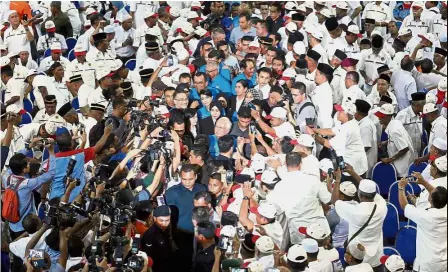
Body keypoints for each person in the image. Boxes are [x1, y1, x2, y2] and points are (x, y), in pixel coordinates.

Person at [332, 174, 387, 271]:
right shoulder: (382, 206)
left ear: (359, 195)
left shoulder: (355, 211)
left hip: (356, 259)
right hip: (376, 258)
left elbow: (335, 200)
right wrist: (353, 172)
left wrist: (337, 180)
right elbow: (371, 190)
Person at [398, 170, 447, 272]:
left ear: (430, 200)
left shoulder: (425, 216)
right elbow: (438, 196)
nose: (430, 191)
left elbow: (404, 205)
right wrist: (424, 182)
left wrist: (401, 187)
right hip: (443, 263)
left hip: (427, 264)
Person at [375, 103, 415, 178]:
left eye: (381, 116)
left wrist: (390, 159)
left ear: (388, 116)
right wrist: (386, 142)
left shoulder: (394, 130)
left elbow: (404, 148)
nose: (379, 118)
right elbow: (397, 140)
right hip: (402, 164)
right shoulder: (395, 122)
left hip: (402, 168)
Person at [141, 205, 177, 272]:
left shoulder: (169, 229)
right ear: (154, 218)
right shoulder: (150, 235)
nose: (164, 223)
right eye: (161, 220)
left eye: (167, 220)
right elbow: (147, 258)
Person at [395, 92, 425, 158]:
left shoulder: (421, 114)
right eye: (424, 105)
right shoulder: (402, 115)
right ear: (418, 105)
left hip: (417, 152)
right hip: (404, 153)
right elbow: (395, 133)